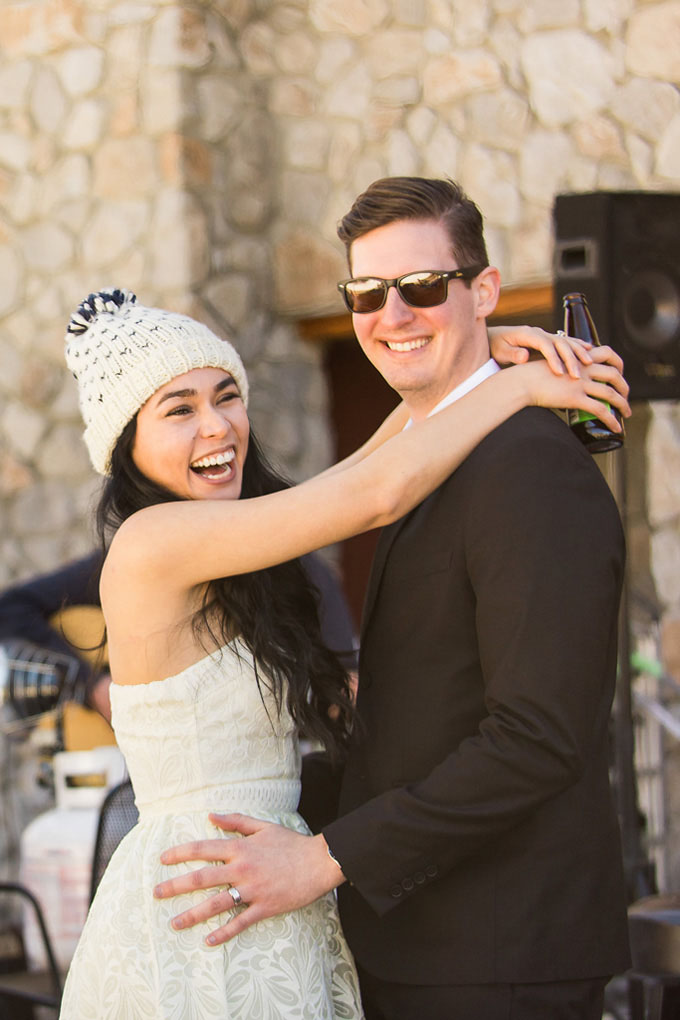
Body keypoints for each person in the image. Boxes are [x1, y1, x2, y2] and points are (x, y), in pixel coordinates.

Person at [154, 178, 632, 1020]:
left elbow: (538, 737)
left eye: (420, 288)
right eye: (366, 294)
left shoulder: (529, 469)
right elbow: (365, 490)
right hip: (424, 943)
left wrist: (326, 858)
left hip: (497, 956)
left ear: (483, 291)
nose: (392, 315)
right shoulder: (431, 453)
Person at [0, 548, 358, 725]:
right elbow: (12, 607)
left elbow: (347, 689)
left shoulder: (301, 570)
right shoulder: (135, 560)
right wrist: (92, 686)